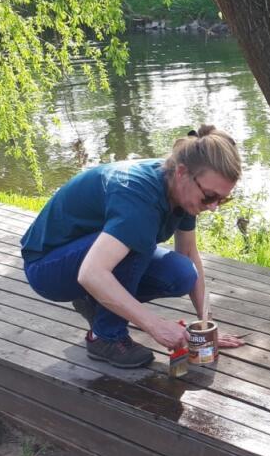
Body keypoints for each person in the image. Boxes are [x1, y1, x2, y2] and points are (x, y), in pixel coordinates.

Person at [20, 126, 245, 368]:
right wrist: (155, 326)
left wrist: (206, 325)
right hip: (47, 267)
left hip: (90, 258)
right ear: (182, 172)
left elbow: (188, 253)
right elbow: (91, 274)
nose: (213, 207)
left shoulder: (183, 189)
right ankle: (105, 337)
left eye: (222, 199)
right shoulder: (139, 196)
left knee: (182, 273)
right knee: (138, 244)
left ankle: (95, 300)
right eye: (209, 196)